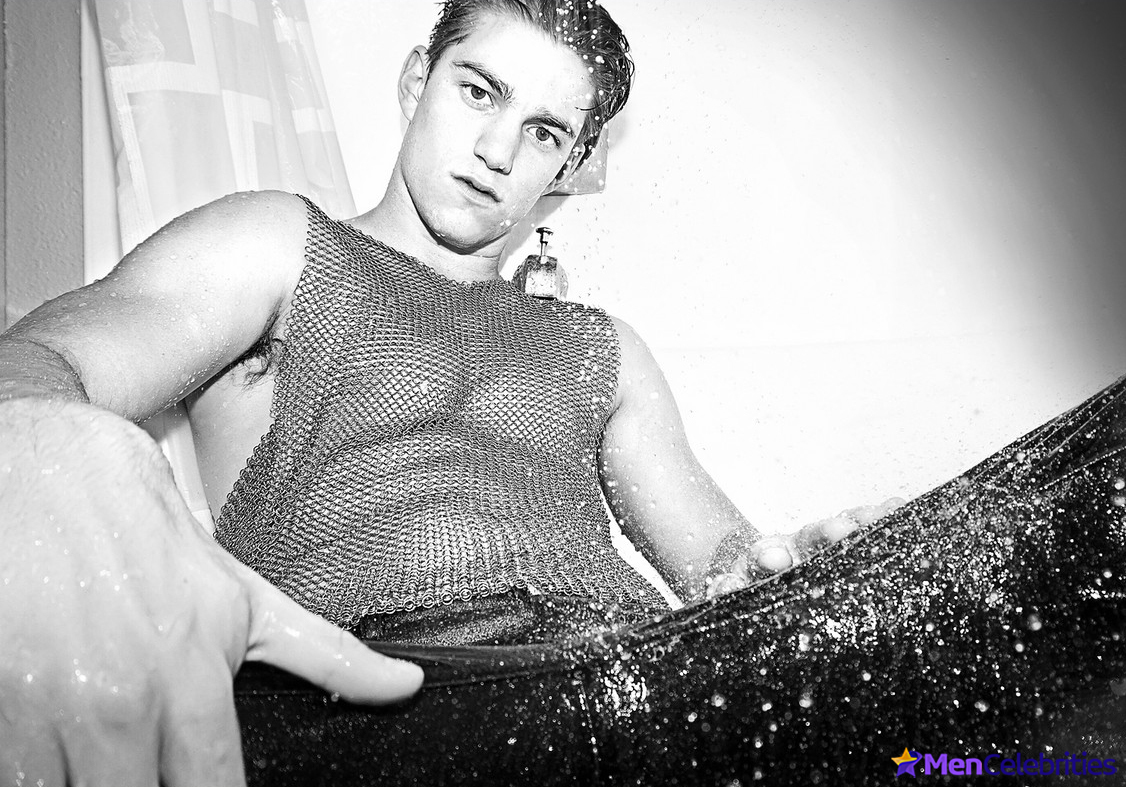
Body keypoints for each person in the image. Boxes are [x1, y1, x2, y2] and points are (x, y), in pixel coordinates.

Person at [1, 1, 1123, 785]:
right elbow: (47, 358)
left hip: (644, 682)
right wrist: (47, 443)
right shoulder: (281, 246)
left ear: (574, 164)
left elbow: (724, 568)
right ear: (416, 80)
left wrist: (819, 568)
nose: (496, 149)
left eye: (541, 131)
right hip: (395, 699)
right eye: (476, 91)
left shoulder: (605, 348)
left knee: (1054, 528)